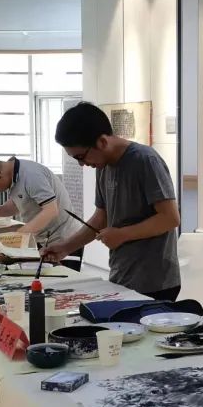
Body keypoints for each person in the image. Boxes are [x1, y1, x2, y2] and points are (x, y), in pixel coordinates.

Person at [40, 102, 181, 301]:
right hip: (122, 273)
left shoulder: (145, 160)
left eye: (81, 156)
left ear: (102, 141)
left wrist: (122, 234)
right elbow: (101, 218)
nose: (81, 164)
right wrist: (65, 247)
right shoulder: (103, 166)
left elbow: (170, 218)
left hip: (154, 281)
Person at [0, 155, 82, 248]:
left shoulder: (31, 176)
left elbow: (51, 210)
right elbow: (18, 204)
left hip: (64, 239)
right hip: (45, 238)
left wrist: (20, 234)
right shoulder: (13, 175)